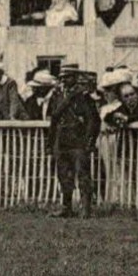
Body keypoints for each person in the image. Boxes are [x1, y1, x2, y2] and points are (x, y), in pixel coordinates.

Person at [52, 69, 101, 217]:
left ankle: (86, 208)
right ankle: (66, 207)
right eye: (62, 78)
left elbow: (93, 121)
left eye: (67, 77)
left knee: (83, 175)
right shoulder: (58, 95)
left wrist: (89, 140)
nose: (64, 80)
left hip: (78, 141)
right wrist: (51, 142)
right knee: (63, 175)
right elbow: (54, 119)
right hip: (62, 141)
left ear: (74, 78)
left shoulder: (83, 97)